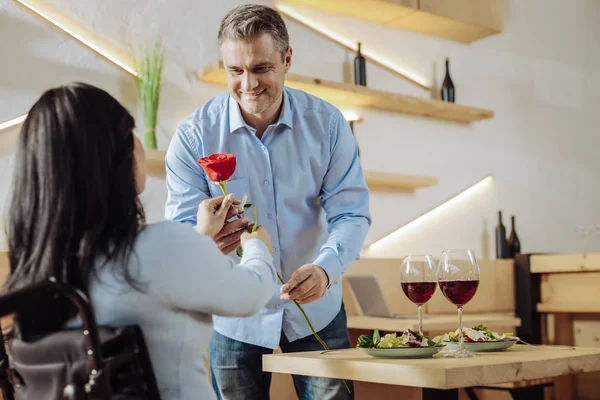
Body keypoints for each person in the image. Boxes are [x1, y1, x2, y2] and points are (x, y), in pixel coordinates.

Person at [3, 82, 276, 400]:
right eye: (130, 131)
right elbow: (252, 294)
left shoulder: (34, 280)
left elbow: (143, 282)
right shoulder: (160, 247)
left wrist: (199, 240)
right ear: (110, 158)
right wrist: (259, 245)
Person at [164, 4, 371, 399]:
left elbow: (352, 213)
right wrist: (203, 241)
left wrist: (326, 269)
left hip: (317, 311)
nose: (248, 84)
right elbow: (180, 237)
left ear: (287, 59)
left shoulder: (327, 125)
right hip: (234, 317)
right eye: (235, 71)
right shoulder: (193, 138)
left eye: (261, 68)